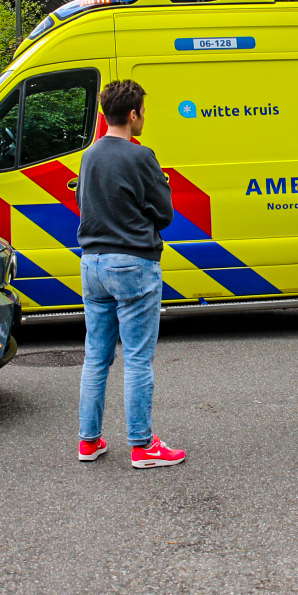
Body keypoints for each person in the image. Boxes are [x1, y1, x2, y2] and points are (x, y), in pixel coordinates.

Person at [75, 79, 186, 468]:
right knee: (137, 359)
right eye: (143, 113)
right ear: (134, 114)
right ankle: (142, 446)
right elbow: (165, 213)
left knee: (95, 357)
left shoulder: (89, 156)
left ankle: (89, 441)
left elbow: (82, 202)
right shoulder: (141, 156)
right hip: (133, 263)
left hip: (92, 263)